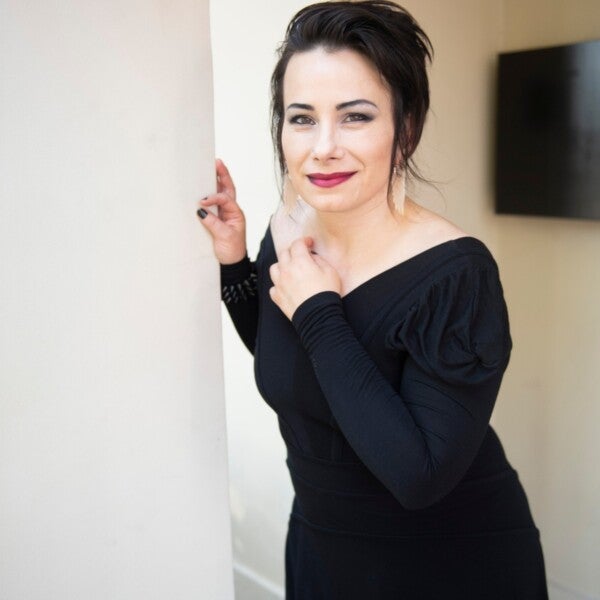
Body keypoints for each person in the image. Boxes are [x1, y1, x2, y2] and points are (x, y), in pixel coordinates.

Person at [198, 1, 548, 598]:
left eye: (355, 117)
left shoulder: (455, 275)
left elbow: (418, 476)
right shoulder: (290, 228)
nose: (322, 147)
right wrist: (236, 262)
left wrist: (319, 312)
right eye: (302, 118)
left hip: (446, 563)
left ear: (405, 129)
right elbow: (290, 363)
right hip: (323, 545)